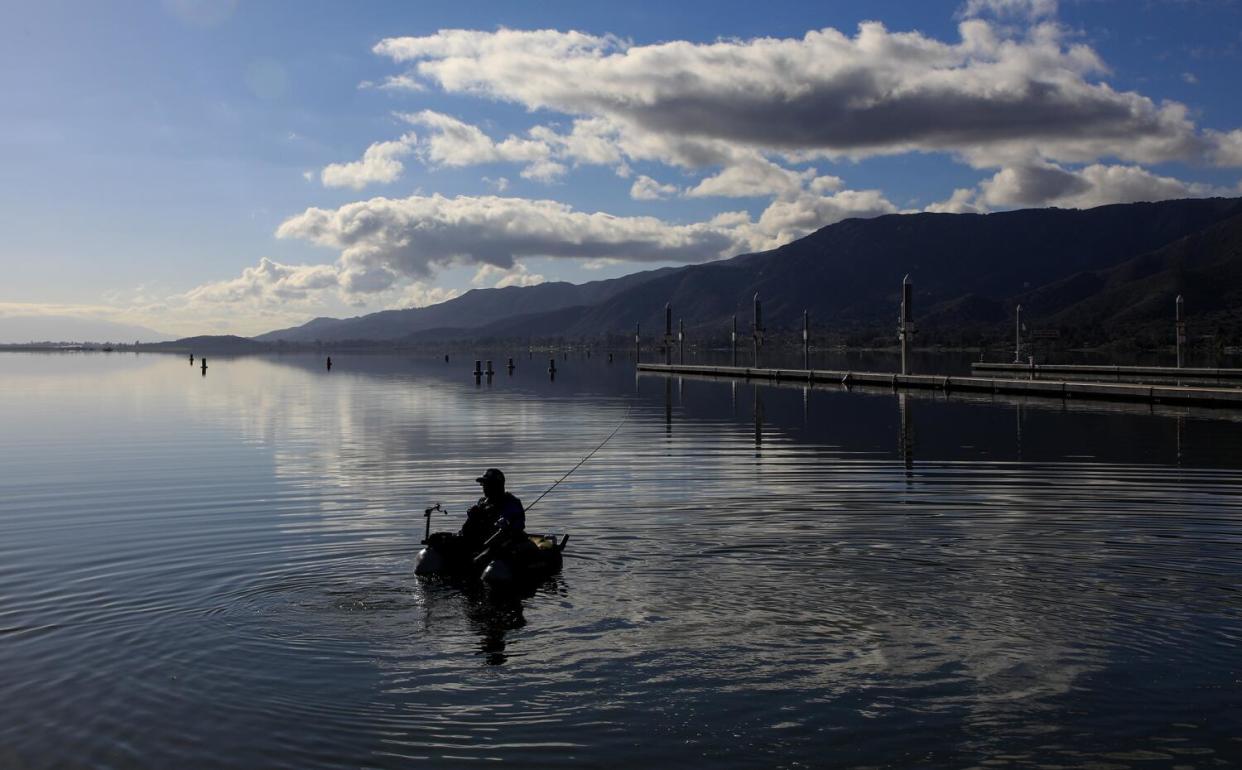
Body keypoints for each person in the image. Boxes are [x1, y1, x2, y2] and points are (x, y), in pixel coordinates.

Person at [461, 468, 525, 545]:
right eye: (483, 484)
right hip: (481, 541)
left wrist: (490, 515)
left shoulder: (511, 502)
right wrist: (473, 516)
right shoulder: (482, 502)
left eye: (487, 484)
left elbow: (516, 526)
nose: (484, 487)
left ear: (497, 485)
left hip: (502, 544)